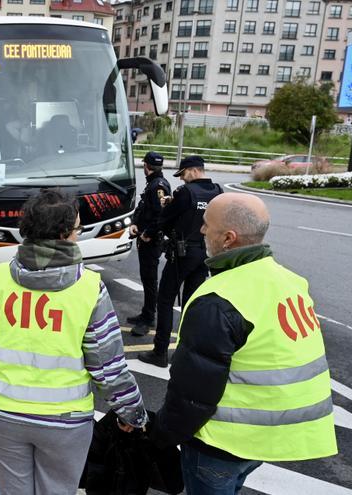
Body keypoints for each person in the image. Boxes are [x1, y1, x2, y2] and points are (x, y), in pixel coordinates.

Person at [152, 193, 337, 493]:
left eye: (206, 225)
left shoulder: (218, 299)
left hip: (222, 444)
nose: (201, 230)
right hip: (268, 441)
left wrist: (161, 434)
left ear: (228, 238)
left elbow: (192, 395)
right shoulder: (291, 282)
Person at [0, 189, 147, 495]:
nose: (78, 234)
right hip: (66, 421)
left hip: (4, 415)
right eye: (77, 229)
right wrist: (133, 413)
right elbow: (108, 366)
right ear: (64, 234)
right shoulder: (89, 288)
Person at [139, 156, 222, 367]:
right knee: (190, 304)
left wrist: (150, 232)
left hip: (182, 253)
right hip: (205, 254)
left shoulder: (186, 192)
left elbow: (165, 219)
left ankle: (160, 351)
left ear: (193, 171)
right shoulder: (217, 191)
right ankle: (186, 351)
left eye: (183, 174)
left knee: (165, 300)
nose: (182, 179)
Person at [127, 151, 171, 333]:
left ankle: (148, 318)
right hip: (146, 237)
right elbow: (144, 208)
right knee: (146, 278)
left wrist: (148, 234)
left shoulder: (158, 186)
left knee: (150, 280)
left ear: (146, 166)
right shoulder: (153, 184)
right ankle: (146, 313)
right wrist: (135, 223)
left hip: (151, 241)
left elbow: (161, 215)